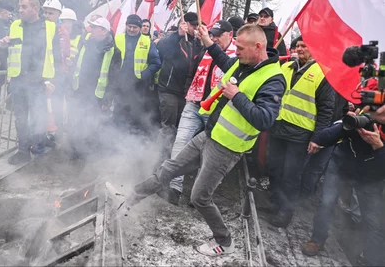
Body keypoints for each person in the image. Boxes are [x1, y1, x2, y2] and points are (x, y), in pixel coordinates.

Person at [122, 24, 286, 256]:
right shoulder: (244, 63)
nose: (235, 51)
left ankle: (225, 241)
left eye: (239, 47)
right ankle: (130, 199)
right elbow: (224, 62)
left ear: (257, 46)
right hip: (209, 135)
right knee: (168, 169)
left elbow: (265, 119)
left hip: (227, 148)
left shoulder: (273, 79)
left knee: (199, 197)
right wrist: (209, 42)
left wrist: (236, 96)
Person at [301, 109, 385, 266]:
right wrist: (347, 123)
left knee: (373, 220)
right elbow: (324, 136)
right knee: (326, 202)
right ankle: (317, 239)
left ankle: (371, 260)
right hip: (341, 165)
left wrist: (378, 146)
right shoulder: (365, 113)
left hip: (372, 176)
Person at [166, 20, 237, 205]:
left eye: (218, 35)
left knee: (209, 153)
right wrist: (189, 90)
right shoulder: (206, 49)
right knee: (180, 143)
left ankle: (198, 196)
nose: (213, 38)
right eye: (212, 34)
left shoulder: (238, 54)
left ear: (230, 34)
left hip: (217, 111)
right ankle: (174, 188)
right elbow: (195, 70)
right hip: (195, 104)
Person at [266, 36, 334, 228]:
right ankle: (276, 203)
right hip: (278, 127)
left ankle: (285, 212)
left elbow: (326, 109)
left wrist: (317, 137)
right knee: (274, 168)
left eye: (305, 46)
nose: (300, 48)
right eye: (298, 46)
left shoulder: (322, 73)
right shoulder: (286, 66)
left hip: (301, 133)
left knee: (291, 175)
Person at [0, 0, 59, 165]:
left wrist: (53, 81)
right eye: (19, 7)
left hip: (39, 81)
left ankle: (39, 152)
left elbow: (56, 56)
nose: (20, 10)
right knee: (20, 118)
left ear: (34, 8)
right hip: (18, 80)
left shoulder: (49, 27)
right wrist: (2, 45)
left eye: (24, 7)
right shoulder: (15, 25)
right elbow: (7, 52)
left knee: (38, 118)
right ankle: (23, 151)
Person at [68, 17, 121, 158]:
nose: (90, 29)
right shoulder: (85, 44)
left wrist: (108, 97)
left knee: (93, 122)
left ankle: (89, 152)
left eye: (94, 27)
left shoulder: (114, 51)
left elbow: (115, 77)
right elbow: (76, 66)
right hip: (80, 89)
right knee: (77, 119)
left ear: (104, 31)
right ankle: (75, 149)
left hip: (98, 94)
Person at [156, 12, 204, 158]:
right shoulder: (174, 38)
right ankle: (161, 156)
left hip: (186, 92)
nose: (196, 27)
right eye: (193, 24)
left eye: (197, 25)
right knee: (168, 126)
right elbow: (162, 47)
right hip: (169, 90)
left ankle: (175, 157)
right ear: (185, 24)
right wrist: (178, 34)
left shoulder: (197, 43)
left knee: (181, 127)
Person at [111, 14, 161, 134]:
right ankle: (116, 138)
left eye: (134, 27)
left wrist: (143, 75)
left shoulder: (147, 42)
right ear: (126, 26)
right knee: (118, 113)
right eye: (129, 26)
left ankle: (134, 139)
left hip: (138, 86)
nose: (131, 29)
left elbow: (156, 63)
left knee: (136, 113)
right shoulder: (118, 38)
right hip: (120, 84)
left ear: (139, 28)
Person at [42, 0, 71, 143]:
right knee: (45, 106)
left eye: (51, 13)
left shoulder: (61, 32)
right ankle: (45, 133)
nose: (47, 15)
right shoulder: (42, 27)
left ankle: (55, 134)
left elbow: (62, 56)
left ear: (58, 14)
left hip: (58, 75)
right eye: (45, 12)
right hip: (45, 74)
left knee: (56, 104)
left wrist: (54, 79)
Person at [0, 0, 13, 102]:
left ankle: (7, 104)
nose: (10, 16)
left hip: (6, 58)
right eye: (8, 14)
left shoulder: (9, 24)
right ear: (2, 12)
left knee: (3, 82)